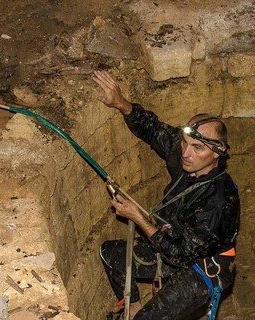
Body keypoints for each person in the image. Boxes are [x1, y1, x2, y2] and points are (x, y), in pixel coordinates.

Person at [92, 70, 240, 320]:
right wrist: (120, 103)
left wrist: (138, 218)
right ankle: (134, 307)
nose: (186, 153)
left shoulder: (218, 202)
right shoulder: (188, 157)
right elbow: (153, 129)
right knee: (110, 253)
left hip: (200, 268)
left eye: (197, 148)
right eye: (184, 143)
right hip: (170, 240)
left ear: (218, 152)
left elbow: (179, 254)